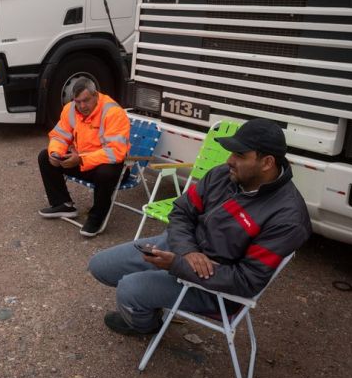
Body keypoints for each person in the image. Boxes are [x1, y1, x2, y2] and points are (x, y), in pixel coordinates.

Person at [88, 118, 311, 335]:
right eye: (231, 153)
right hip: (181, 248)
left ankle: (147, 326)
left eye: (240, 155)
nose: (229, 161)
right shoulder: (223, 175)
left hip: (213, 287)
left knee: (130, 290)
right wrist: (187, 251)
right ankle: (152, 300)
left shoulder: (287, 217)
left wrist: (178, 265)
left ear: (267, 163)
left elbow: (246, 281)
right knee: (99, 266)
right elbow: (181, 211)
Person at [37, 77, 130, 237]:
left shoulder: (113, 112)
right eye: (77, 101)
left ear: (96, 95)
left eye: (86, 100)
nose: (81, 106)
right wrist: (56, 153)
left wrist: (80, 159)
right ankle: (63, 204)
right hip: (82, 161)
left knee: (105, 172)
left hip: (111, 166)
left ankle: (96, 218)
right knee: (45, 157)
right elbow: (59, 136)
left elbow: (115, 153)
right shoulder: (70, 109)